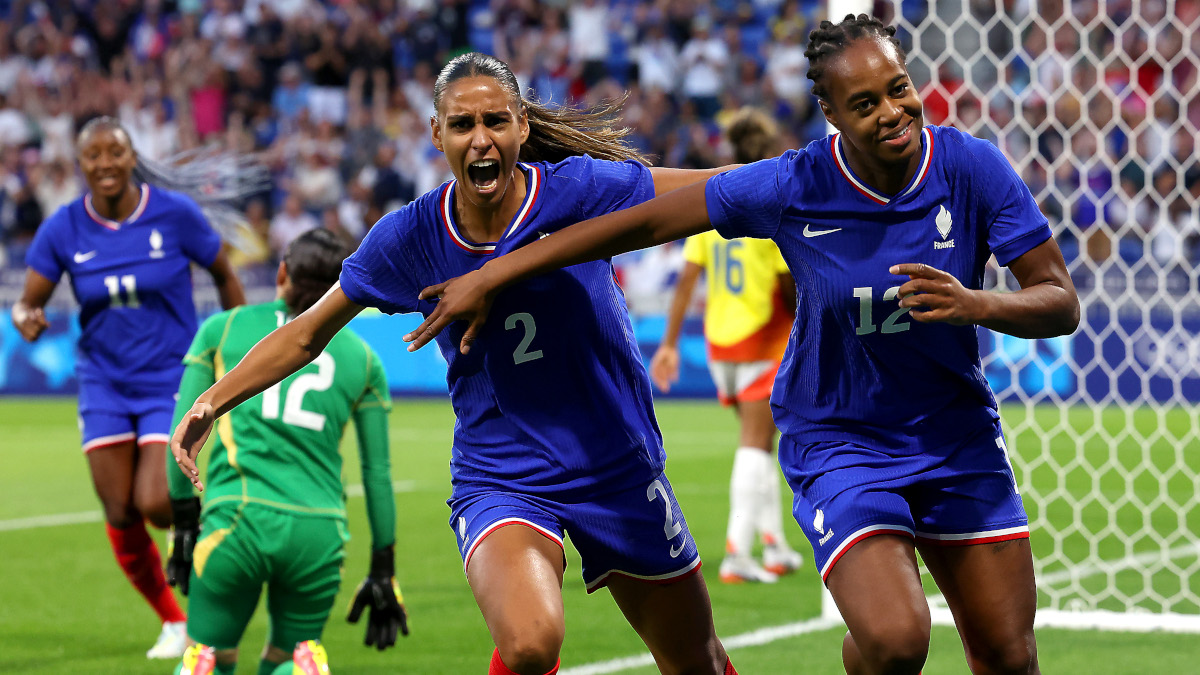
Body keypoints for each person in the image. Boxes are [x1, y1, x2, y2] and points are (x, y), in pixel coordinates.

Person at [404, 17, 1082, 675]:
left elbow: (1060, 300)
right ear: (832, 113)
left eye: (899, 88)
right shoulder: (797, 183)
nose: (893, 112)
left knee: (1009, 656)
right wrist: (494, 271)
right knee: (898, 639)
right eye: (866, 103)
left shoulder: (971, 168)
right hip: (844, 441)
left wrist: (978, 304)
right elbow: (636, 224)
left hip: (956, 436)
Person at [171, 53, 739, 675]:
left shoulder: (581, 190)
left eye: (496, 120)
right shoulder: (410, 237)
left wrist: (816, 177)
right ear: (436, 134)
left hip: (616, 462)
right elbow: (306, 334)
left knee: (697, 662)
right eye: (462, 124)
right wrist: (211, 401)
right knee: (529, 644)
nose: (481, 138)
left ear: (522, 126)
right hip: (505, 473)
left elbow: (715, 190)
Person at [12, 117, 248, 659]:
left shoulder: (174, 213)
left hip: (170, 374)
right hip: (103, 383)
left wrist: (241, 342)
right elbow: (31, 300)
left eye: (113, 153)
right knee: (119, 510)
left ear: (131, 156)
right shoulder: (64, 228)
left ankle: (198, 534)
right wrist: (27, 316)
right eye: (92, 155)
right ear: (80, 164)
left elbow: (222, 270)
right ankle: (173, 620)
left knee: (156, 503)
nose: (104, 163)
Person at [165, 228, 407, 675]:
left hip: (236, 519)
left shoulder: (225, 328)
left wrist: (183, 524)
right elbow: (377, 474)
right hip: (318, 533)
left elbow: (181, 438)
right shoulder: (364, 359)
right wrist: (383, 565)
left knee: (211, 655)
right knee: (289, 655)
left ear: (282, 273)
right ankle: (297, 667)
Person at [649, 107, 803, 585]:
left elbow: (687, 279)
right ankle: (738, 551)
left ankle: (773, 544)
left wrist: (670, 343)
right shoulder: (768, 204)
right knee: (756, 444)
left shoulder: (712, 199)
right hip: (764, 341)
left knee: (765, 439)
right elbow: (787, 288)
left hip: (720, 347)